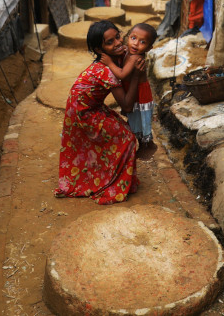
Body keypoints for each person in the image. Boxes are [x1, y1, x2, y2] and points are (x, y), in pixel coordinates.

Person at [54, 21, 140, 204]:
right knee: (127, 138)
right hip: (83, 111)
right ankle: (111, 182)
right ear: (98, 49)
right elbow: (126, 105)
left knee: (119, 131)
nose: (117, 43)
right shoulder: (106, 70)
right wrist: (137, 77)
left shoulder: (114, 60)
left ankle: (103, 175)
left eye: (118, 36)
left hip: (88, 105)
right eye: (109, 42)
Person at [123, 24, 158, 157]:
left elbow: (122, 75)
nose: (136, 44)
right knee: (136, 120)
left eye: (142, 42)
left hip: (140, 96)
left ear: (149, 48)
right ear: (128, 37)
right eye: (133, 38)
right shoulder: (129, 52)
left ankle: (147, 146)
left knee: (139, 121)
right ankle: (147, 145)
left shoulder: (136, 58)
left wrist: (109, 63)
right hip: (135, 93)